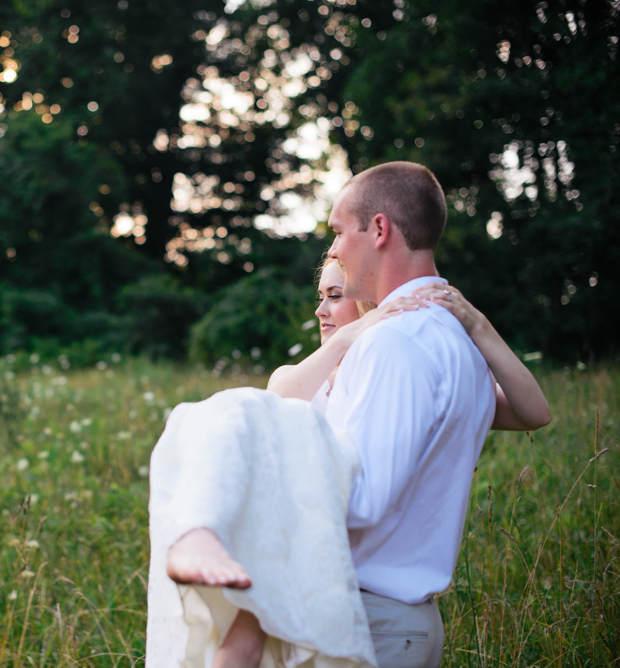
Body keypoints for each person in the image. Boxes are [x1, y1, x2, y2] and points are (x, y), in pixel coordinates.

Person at [146, 161, 550, 668]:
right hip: (392, 621)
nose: (333, 248)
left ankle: (201, 530)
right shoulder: (457, 346)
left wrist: (254, 494)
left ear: (379, 229)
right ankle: (200, 532)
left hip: (369, 618)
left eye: (337, 231)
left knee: (231, 415)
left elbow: (363, 498)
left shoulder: (397, 343)